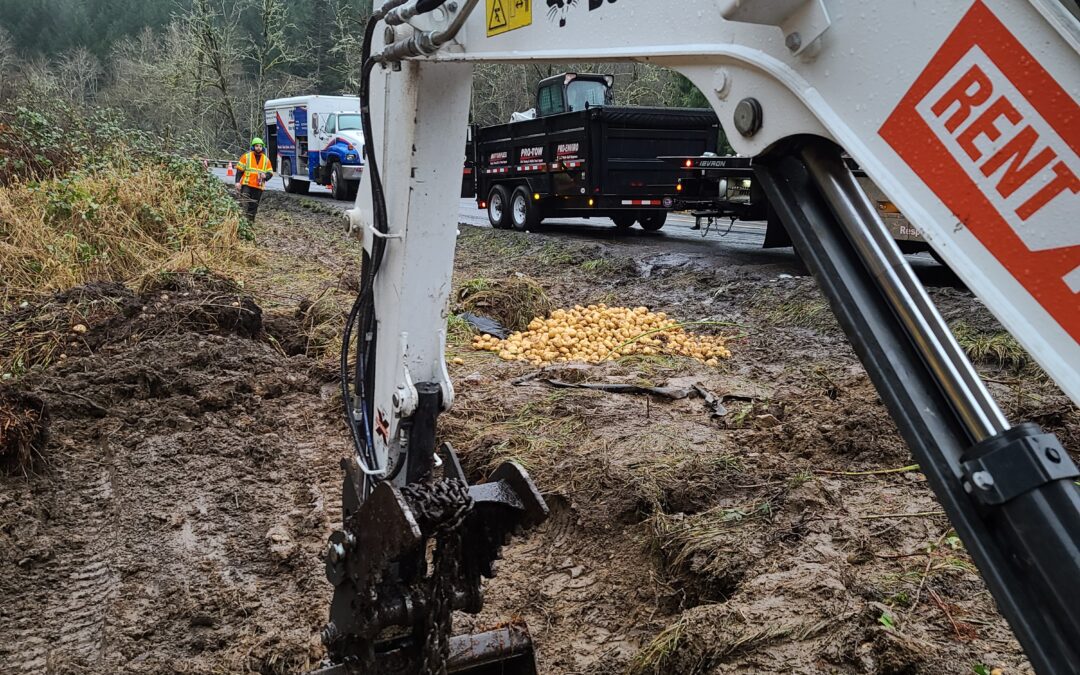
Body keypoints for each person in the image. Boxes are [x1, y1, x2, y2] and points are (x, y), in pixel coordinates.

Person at [235, 137, 274, 222]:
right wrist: (237, 182)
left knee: (254, 205)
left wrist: (265, 176)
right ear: (253, 147)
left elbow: (270, 172)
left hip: (258, 186)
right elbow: (239, 170)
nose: (258, 148)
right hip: (247, 184)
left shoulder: (266, 160)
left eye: (260, 146)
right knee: (244, 202)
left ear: (262, 147)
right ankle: (242, 219)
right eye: (256, 146)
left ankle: (250, 221)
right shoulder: (246, 157)